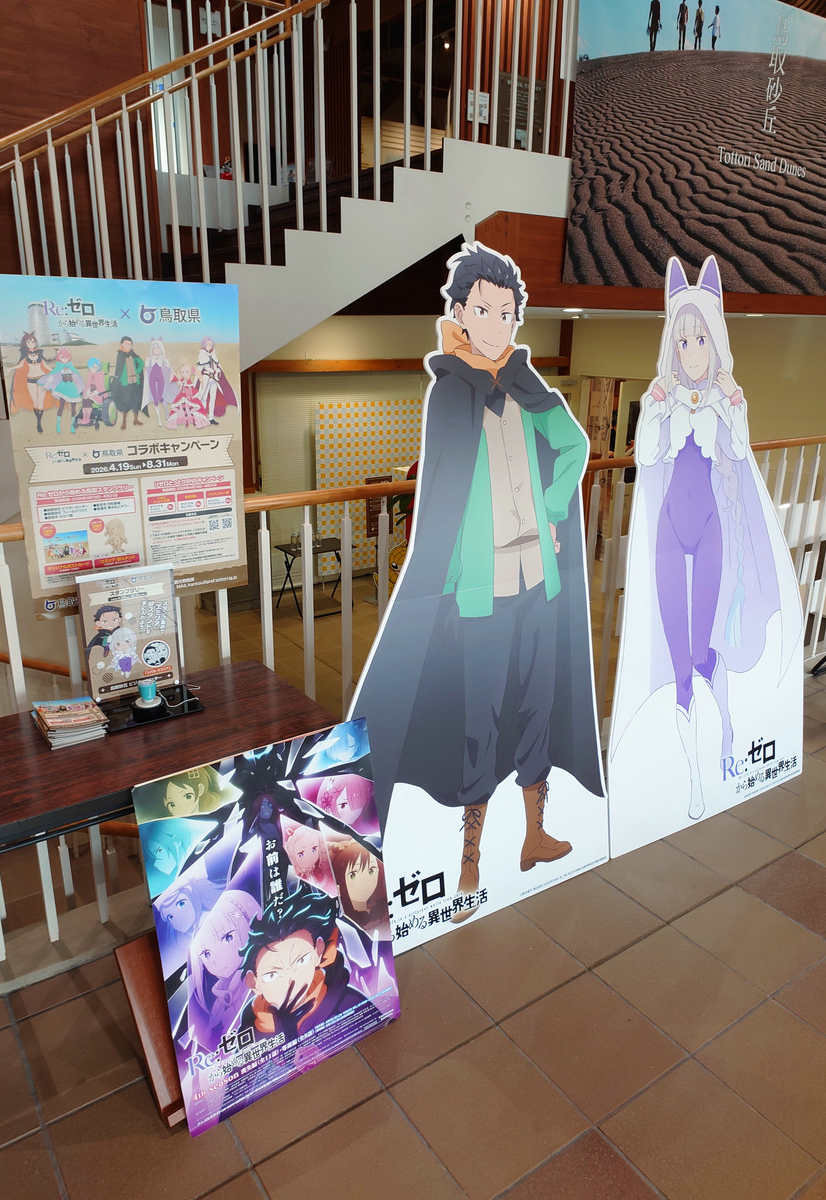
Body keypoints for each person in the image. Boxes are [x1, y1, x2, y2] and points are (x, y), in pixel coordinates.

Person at [349, 243, 604, 922]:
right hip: (479, 594)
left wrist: (553, 509)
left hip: (538, 584)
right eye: (484, 310)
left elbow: (574, 446)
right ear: (460, 312)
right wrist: (444, 578)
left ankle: (535, 834)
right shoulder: (449, 394)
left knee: (538, 704)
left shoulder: (528, 385)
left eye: (507, 311)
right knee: (479, 720)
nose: (496, 323)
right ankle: (470, 860)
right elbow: (441, 497)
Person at [609, 257, 801, 820]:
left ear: (714, 342)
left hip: (713, 529)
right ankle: (693, 778)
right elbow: (647, 457)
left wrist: (731, 403)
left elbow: (738, 452)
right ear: (672, 345)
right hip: (670, 531)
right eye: (683, 340)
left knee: (701, 650)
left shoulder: (725, 399)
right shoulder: (661, 398)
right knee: (678, 659)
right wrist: (655, 407)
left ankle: (725, 735)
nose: (692, 351)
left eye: (700, 340)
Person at [239, 888, 374, 1041]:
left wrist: (291, 1038)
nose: (290, 982)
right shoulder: (251, 1028)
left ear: (318, 952)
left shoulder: (348, 1004)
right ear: (254, 982)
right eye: (272, 975)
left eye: (301, 961)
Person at [187, 889, 261, 1052]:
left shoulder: (261, 979)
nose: (216, 959)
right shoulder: (220, 997)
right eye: (206, 954)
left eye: (228, 937)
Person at [9, 331, 51, 432]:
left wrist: (57, 371)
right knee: (35, 402)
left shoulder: (40, 352)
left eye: (33, 341)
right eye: (29, 342)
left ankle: (39, 423)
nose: (31, 344)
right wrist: (10, 369)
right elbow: (19, 365)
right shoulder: (24, 354)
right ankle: (38, 422)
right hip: (30, 380)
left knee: (40, 403)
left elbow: (46, 366)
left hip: (41, 379)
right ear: (25, 343)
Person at [195, 336, 237, 424]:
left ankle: (211, 417)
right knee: (203, 397)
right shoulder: (202, 354)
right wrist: (213, 370)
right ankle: (201, 417)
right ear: (204, 344)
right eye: (207, 344)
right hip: (206, 377)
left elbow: (217, 365)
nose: (209, 345)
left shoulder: (213, 353)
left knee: (213, 398)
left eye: (210, 344)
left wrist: (217, 371)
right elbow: (204, 367)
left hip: (213, 379)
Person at [110, 335, 145, 430]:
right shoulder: (120, 355)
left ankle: (136, 420)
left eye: (129, 344)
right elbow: (119, 369)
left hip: (135, 382)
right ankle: (124, 422)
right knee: (125, 402)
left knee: (136, 401)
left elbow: (141, 363)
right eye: (125, 343)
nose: (127, 345)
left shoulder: (133, 355)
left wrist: (137, 371)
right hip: (125, 383)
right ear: (122, 344)